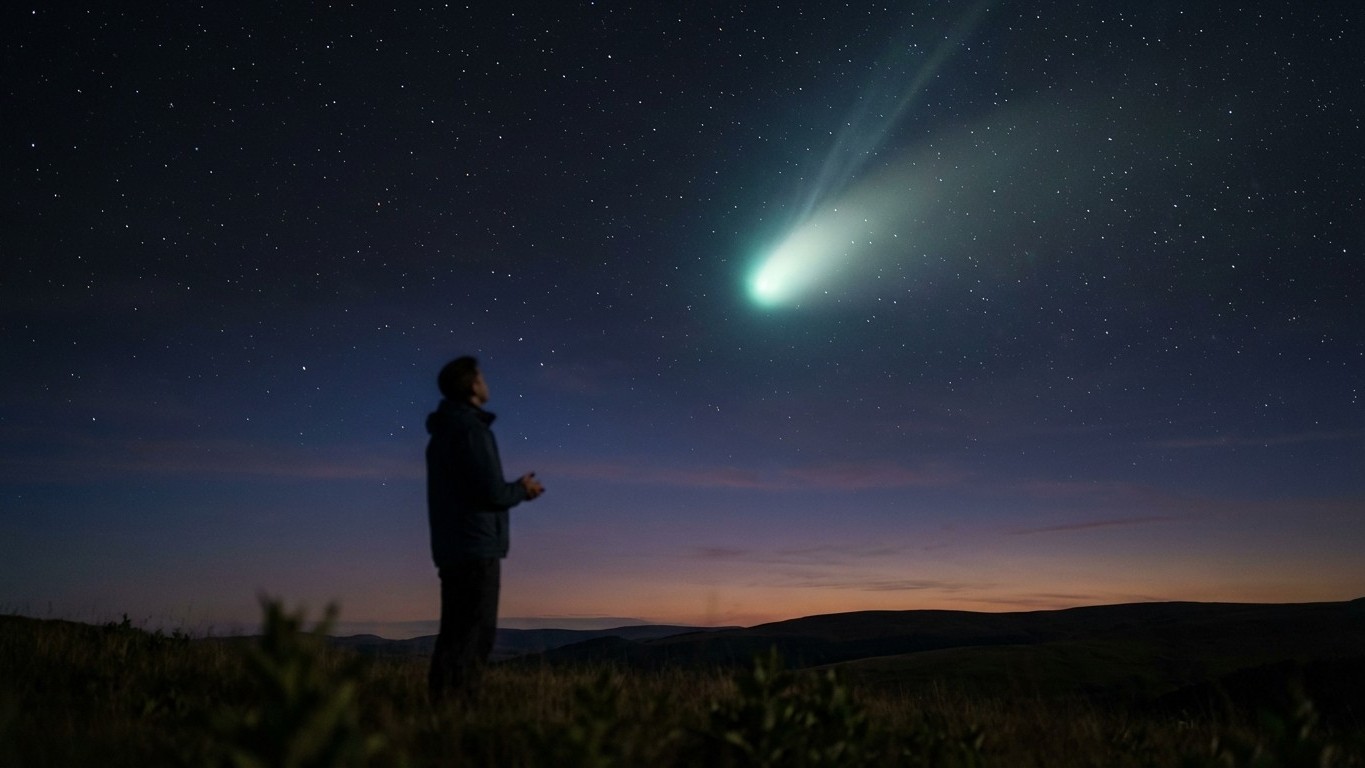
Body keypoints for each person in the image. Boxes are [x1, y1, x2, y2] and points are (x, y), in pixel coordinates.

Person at [425, 356, 544, 705]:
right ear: (472, 385)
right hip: (476, 545)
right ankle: (461, 712)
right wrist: (523, 490)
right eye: (482, 377)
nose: (486, 382)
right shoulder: (471, 431)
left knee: (455, 633)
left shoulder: (444, 433)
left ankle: (440, 710)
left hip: (453, 544)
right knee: (474, 635)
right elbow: (490, 492)